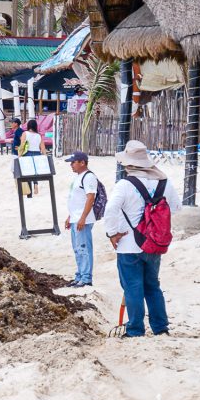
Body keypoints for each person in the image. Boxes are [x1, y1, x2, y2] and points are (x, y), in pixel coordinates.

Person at [103, 140, 181, 338]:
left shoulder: (125, 184)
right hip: (154, 243)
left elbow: (111, 209)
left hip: (129, 243)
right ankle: (161, 328)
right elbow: (176, 208)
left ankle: (135, 329)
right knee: (152, 286)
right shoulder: (164, 182)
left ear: (128, 164)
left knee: (132, 287)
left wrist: (112, 233)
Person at [64, 151, 99, 288]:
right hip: (76, 217)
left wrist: (82, 218)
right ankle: (80, 275)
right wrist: (70, 216)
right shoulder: (79, 177)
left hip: (82, 219)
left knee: (84, 248)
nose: (71, 165)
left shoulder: (89, 177)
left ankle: (86, 278)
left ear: (82, 162)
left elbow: (91, 197)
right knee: (78, 249)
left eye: (73, 162)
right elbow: (76, 199)